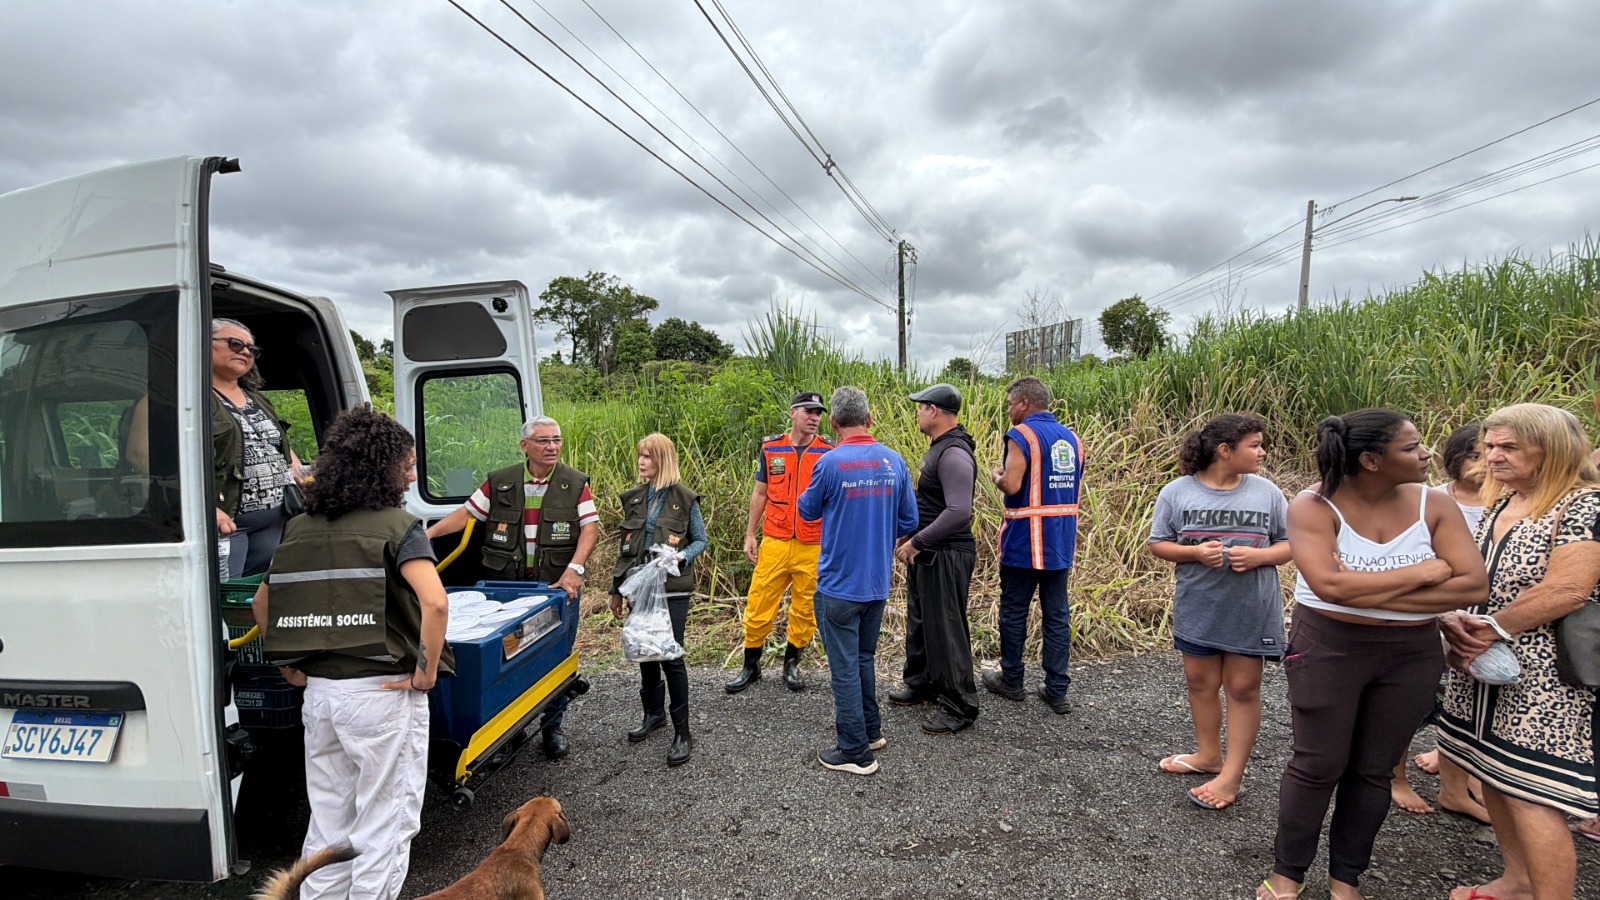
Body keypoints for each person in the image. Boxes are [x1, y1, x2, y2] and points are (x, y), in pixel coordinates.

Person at [1257, 409, 1487, 900]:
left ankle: (1346, 878)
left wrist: (1365, 591)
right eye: (1411, 447)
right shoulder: (1314, 505)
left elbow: (1472, 582)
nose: (1427, 453)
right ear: (1371, 460)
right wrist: (1423, 573)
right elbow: (1327, 585)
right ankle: (1287, 873)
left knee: (1373, 769)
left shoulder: (1435, 505)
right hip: (1328, 647)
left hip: (1410, 654)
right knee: (1317, 764)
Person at [252, 407, 450, 900]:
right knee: (384, 825)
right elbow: (435, 602)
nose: (411, 473)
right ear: (381, 466)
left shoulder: (300, 528)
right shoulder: (398, 526)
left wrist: (291, 667)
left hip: (321, 697)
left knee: (329, 822)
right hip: (381, 694)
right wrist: (425, 675)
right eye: (406, 463)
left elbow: (262, 602)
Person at [1435, 403, 1600, 900]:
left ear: (1550, 450)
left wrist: (1491, 629)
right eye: (1489, 446)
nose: (1493, 457)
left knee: (1532, 791)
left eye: (1508, 447)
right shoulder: (1503, 504)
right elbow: (1476, 578)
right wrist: (1456, 619)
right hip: (1484, 666)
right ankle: (1517, 882)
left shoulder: (1583, 506)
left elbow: (1568, 590)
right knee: (1493, 776)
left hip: (1545, 678)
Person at [425, 416, 599, 760]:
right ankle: (509, 734)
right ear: (525, 446)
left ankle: (552, 728)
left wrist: (574, 570)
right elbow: (466, 515)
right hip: (509, 590)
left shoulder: (575, 483)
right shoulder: (500, 482)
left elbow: (590, 529)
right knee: (510, 660)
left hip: (555, 588)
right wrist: (427, 536)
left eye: (556, 440)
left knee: (554, 657)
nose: (552, 447)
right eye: (543, 441)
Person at [1148, 413, 1291, 811]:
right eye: (1255, 445)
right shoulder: (1178, 492)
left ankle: (1232, 775)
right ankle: (1208, 755)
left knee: (1243, 688)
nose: (1262, 452)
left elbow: (1291, 543)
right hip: (1199, 606)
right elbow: (1159, 543)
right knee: (1200, 682)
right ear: (1225, 451)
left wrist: (1261, 557)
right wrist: (1194, 552)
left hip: (1251, 610)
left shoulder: (1267, 493)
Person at [797, 386, 917, 775]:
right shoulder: (893, 461)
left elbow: (807, 511)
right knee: (863, 657)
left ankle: (854, 750)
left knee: (845, 666)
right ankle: (870, 730)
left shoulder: (829, 463)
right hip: (877, 583)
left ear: (833, 423)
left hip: (837, 585)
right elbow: (909, 521)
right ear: (869, 420)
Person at [1390, 422, 1490, 823]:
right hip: (1435, 610)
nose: (1487, 464)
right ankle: (1395, 776)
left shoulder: (1510, 502)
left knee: (1475, 698)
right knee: (1413, 699)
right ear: (1456, 458)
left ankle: (1464, 780)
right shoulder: (1432, 500)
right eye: (1477, 455)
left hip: (1490, 614)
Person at [607, 433, 708, 767]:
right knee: (644, 649)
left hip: (672, 588)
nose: (641, 462)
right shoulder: (636, 497)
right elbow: (626, 548)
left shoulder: (684, 498)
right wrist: (615, 589)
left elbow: (700, 541)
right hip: (640, 588)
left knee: (670, 654)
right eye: (640, 456)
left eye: (647, 457)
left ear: (662, 459)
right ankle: (653, 715)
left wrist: (679, 558)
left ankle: (683, 731)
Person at [984, 375, 1082, 715]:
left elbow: (1012, 484)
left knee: (1014, 611)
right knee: (1057, 615)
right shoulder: (1071, 438)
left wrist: (996, 476)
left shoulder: (1021, 434)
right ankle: (1057, 689)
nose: (1010, 411)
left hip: (1025, 541)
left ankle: (1012, 679)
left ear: (1025, 403)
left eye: (1012, 404)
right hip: (1060, 540)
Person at [727, 391, 835, 693]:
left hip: (813, 542)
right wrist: (751, 533)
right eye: (809, 412)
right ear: (793, 413)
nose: (815, 418)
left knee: (804, 607)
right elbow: (760, 493)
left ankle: (791, 664)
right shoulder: (772, 447)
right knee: (760, 600)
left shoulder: (828, 451)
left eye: (819, 413)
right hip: (775, 539)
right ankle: (751, 665)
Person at [889, 383, 981, 735]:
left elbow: (959, 511)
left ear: (934, 411)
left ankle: (960, 705)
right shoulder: (939, 448)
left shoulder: (954, 452)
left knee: (945, 628)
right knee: (922, 621)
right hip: (929, 550)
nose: (917, 412)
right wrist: (910, 536)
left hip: (947, 552)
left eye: (920, 406)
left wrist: (919, 541)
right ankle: (922, 681)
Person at [210, 318, 302, 577]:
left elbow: (278, 446)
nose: (246, 352)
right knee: (227, 597)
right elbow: (147, 459)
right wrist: (206, 507)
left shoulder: (258, 400)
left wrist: (301, 474)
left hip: (273, 521)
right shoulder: (189, 398)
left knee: (255, 597)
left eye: (251, 349)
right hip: (228, 525)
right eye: (235, 343)